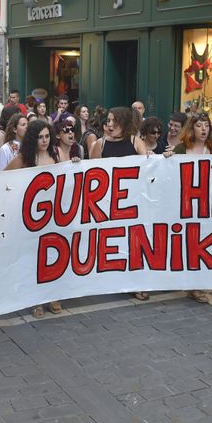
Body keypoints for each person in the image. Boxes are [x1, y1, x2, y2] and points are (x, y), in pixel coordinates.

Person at [164, 114, 212, 304]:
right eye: (199, 125)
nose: (203, 129)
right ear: (192, 129)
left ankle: (196, 285)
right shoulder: (182, 148)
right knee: (188, 241)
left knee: (203, 243)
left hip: (208, 204)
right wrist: (167, 158)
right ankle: (189, 282)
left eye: (206, 125)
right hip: (185, 203)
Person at [4, 120, 63, 318]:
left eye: (47, 136)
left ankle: (53, 295)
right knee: (33, 259)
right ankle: (35, 299)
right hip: (30, 216)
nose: (44, 140)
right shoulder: (24, 158)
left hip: (54, 214)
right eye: (40, 137)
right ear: (32, 138)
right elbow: (3, 178)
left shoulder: (57, 154)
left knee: (53, 256)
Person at [90, 107, 150, 301]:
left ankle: (137, 282)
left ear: (123, 123)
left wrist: (163, 159)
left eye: (113, 121)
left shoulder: (135, 142)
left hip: (133, 202)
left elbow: (150, 166)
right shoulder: (99, 144)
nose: (109, 125)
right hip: (108, 204)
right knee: (112, 242)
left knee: (134, 242)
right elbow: (91, 174)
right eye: (107, 121)